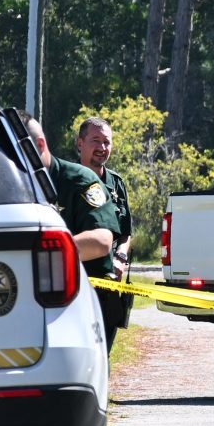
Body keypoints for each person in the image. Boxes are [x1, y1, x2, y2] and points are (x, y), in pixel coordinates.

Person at [19, 112, 119, 275]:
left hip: (89, 288)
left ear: (39, 145)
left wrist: (43, 255)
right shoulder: (12, 185)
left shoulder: (80, 180)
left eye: (14, 154)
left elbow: (102, 241)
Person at [77, 117, 135, 350]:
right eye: (95, 140)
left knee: (103, 352)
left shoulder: (116, 183)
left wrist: (121, 257)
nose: (102, 147)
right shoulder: (64, 180)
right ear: (80, 143)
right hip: (74, 281)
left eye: (106, 142)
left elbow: (126, 233)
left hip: (109, 284)